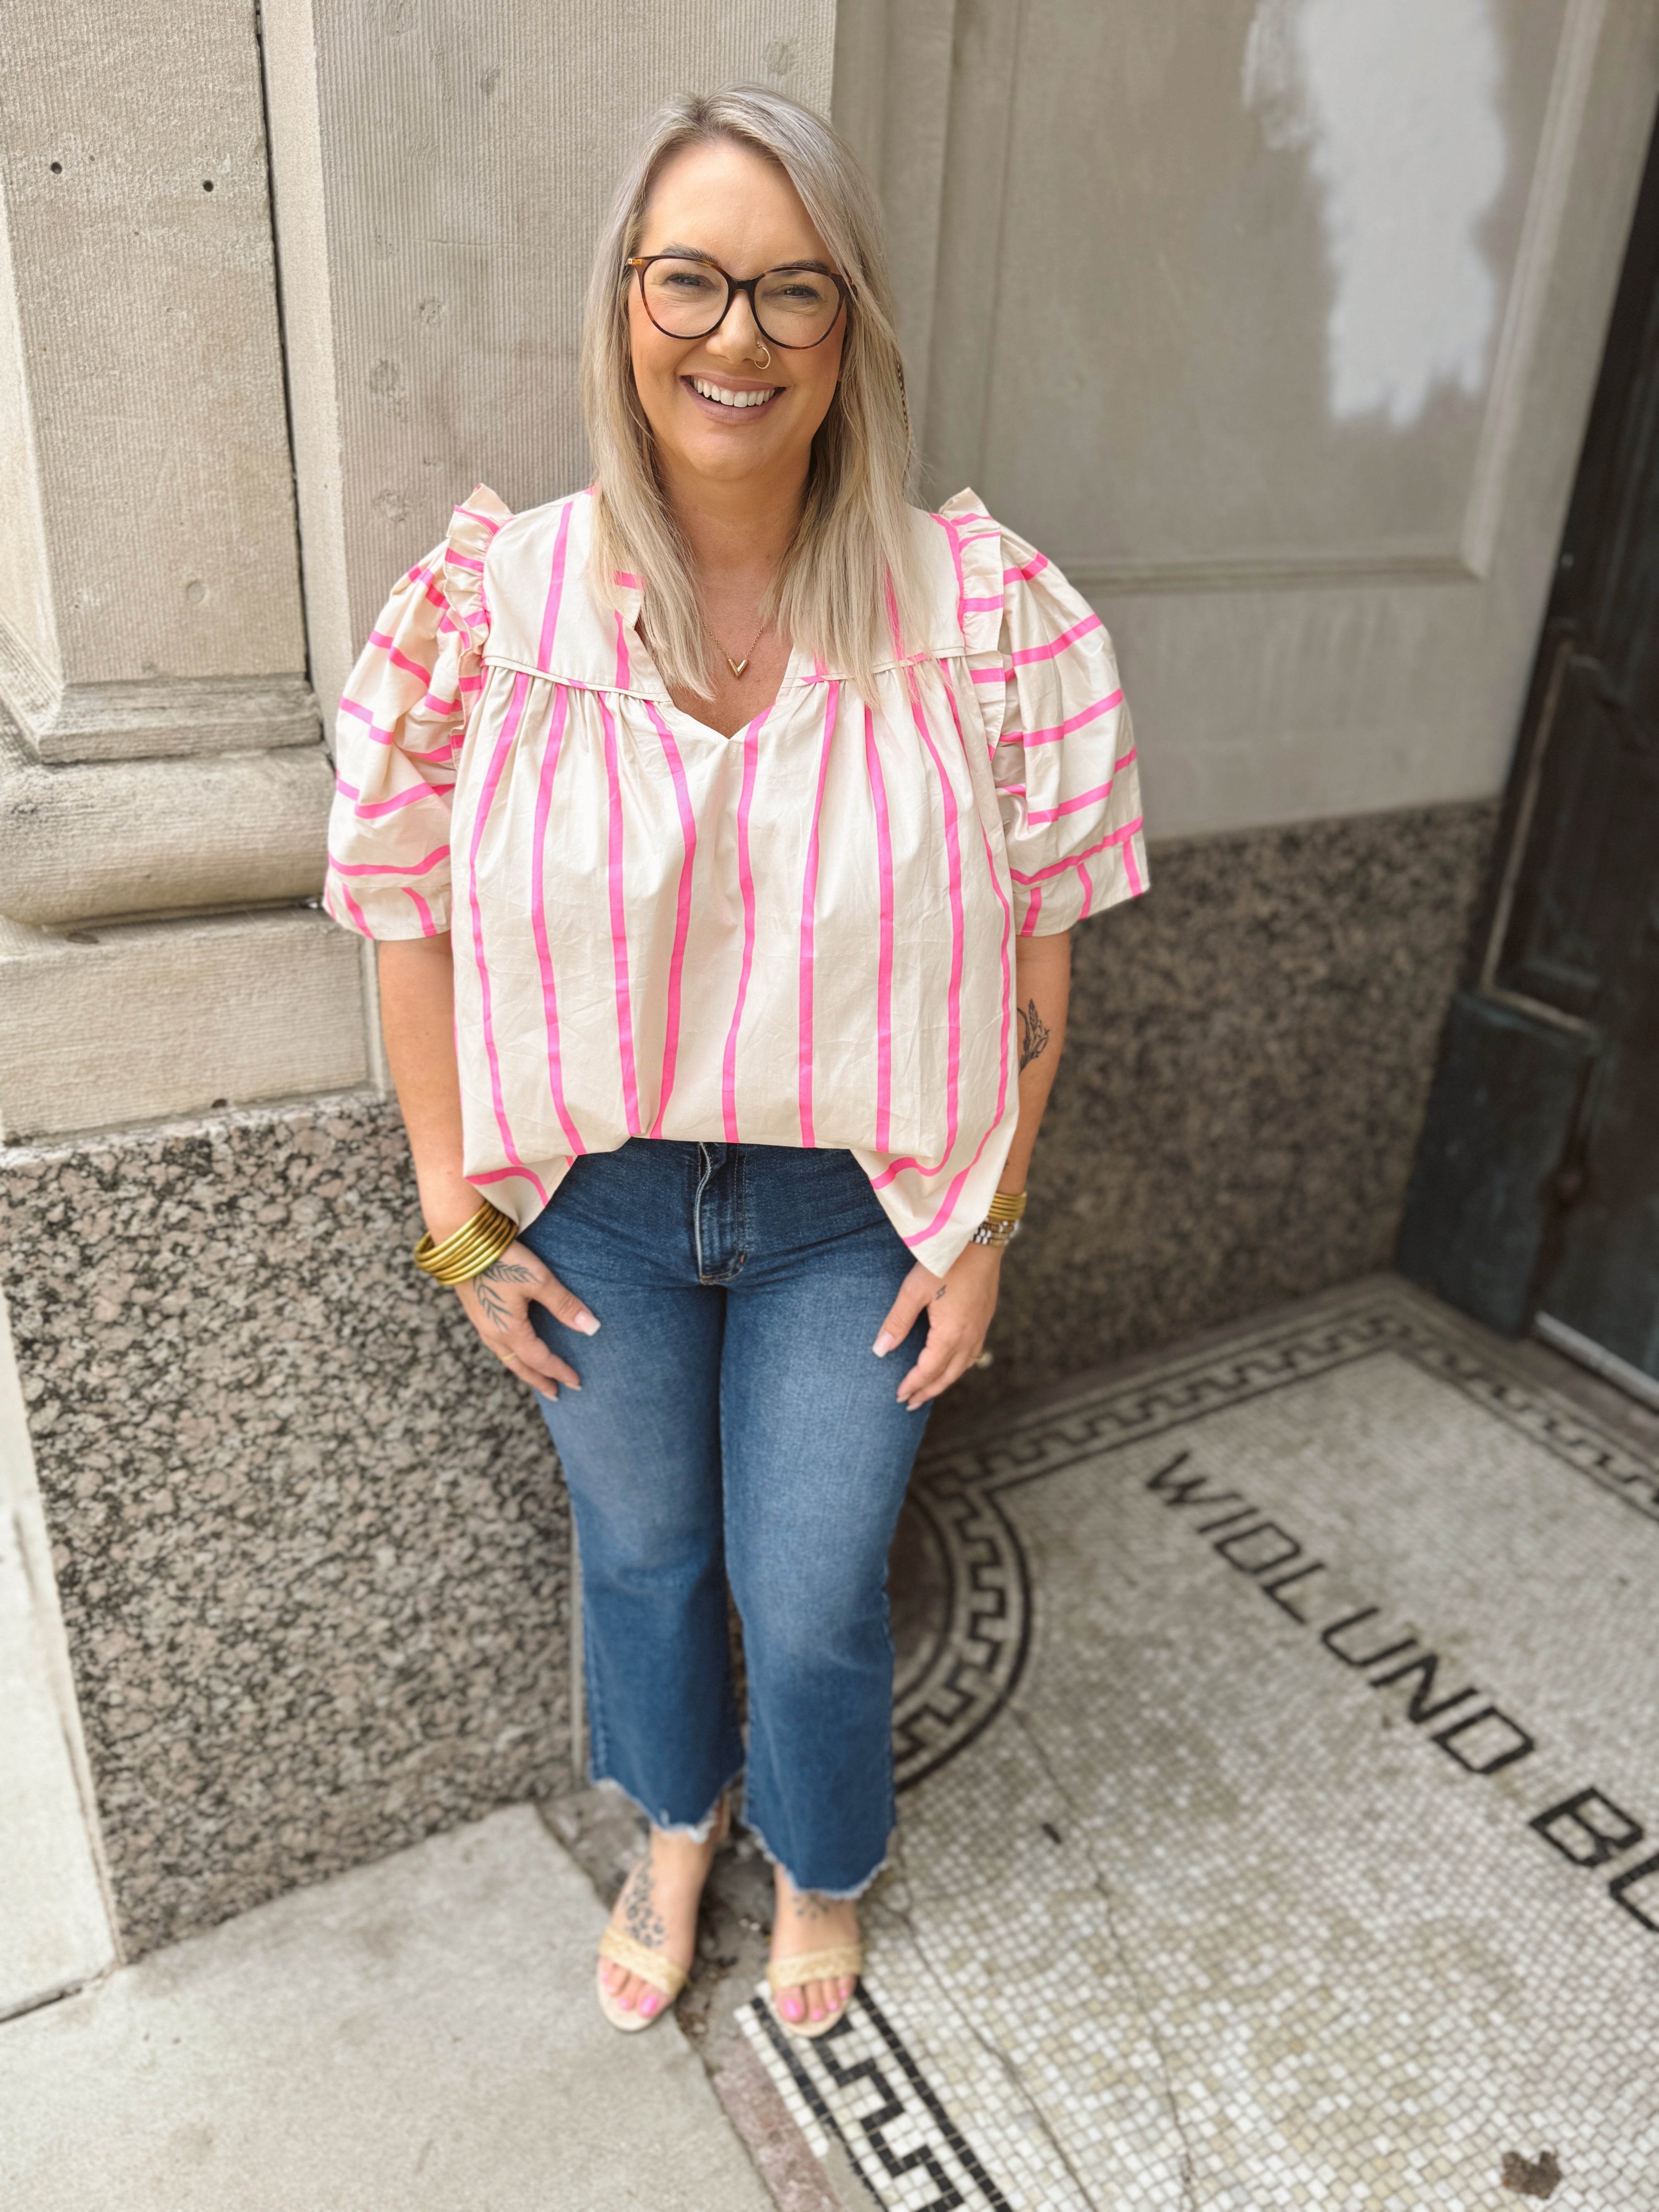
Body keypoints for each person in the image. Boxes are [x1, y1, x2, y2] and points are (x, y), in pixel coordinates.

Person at [323, 84, 1146, 2041]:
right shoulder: (495, 608)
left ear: (848, 323)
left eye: (791, 290)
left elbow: (1042, 929)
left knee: (812, 1583)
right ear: (625, 305)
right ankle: (679, 1829)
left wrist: (988, 1222)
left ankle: (824, 1858)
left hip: (850, 1212)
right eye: (689, 279)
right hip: (590, 1201)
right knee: (646, 1549)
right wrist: (454, 1206)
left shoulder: (976, 613)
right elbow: (397, 896)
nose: (736, 336)